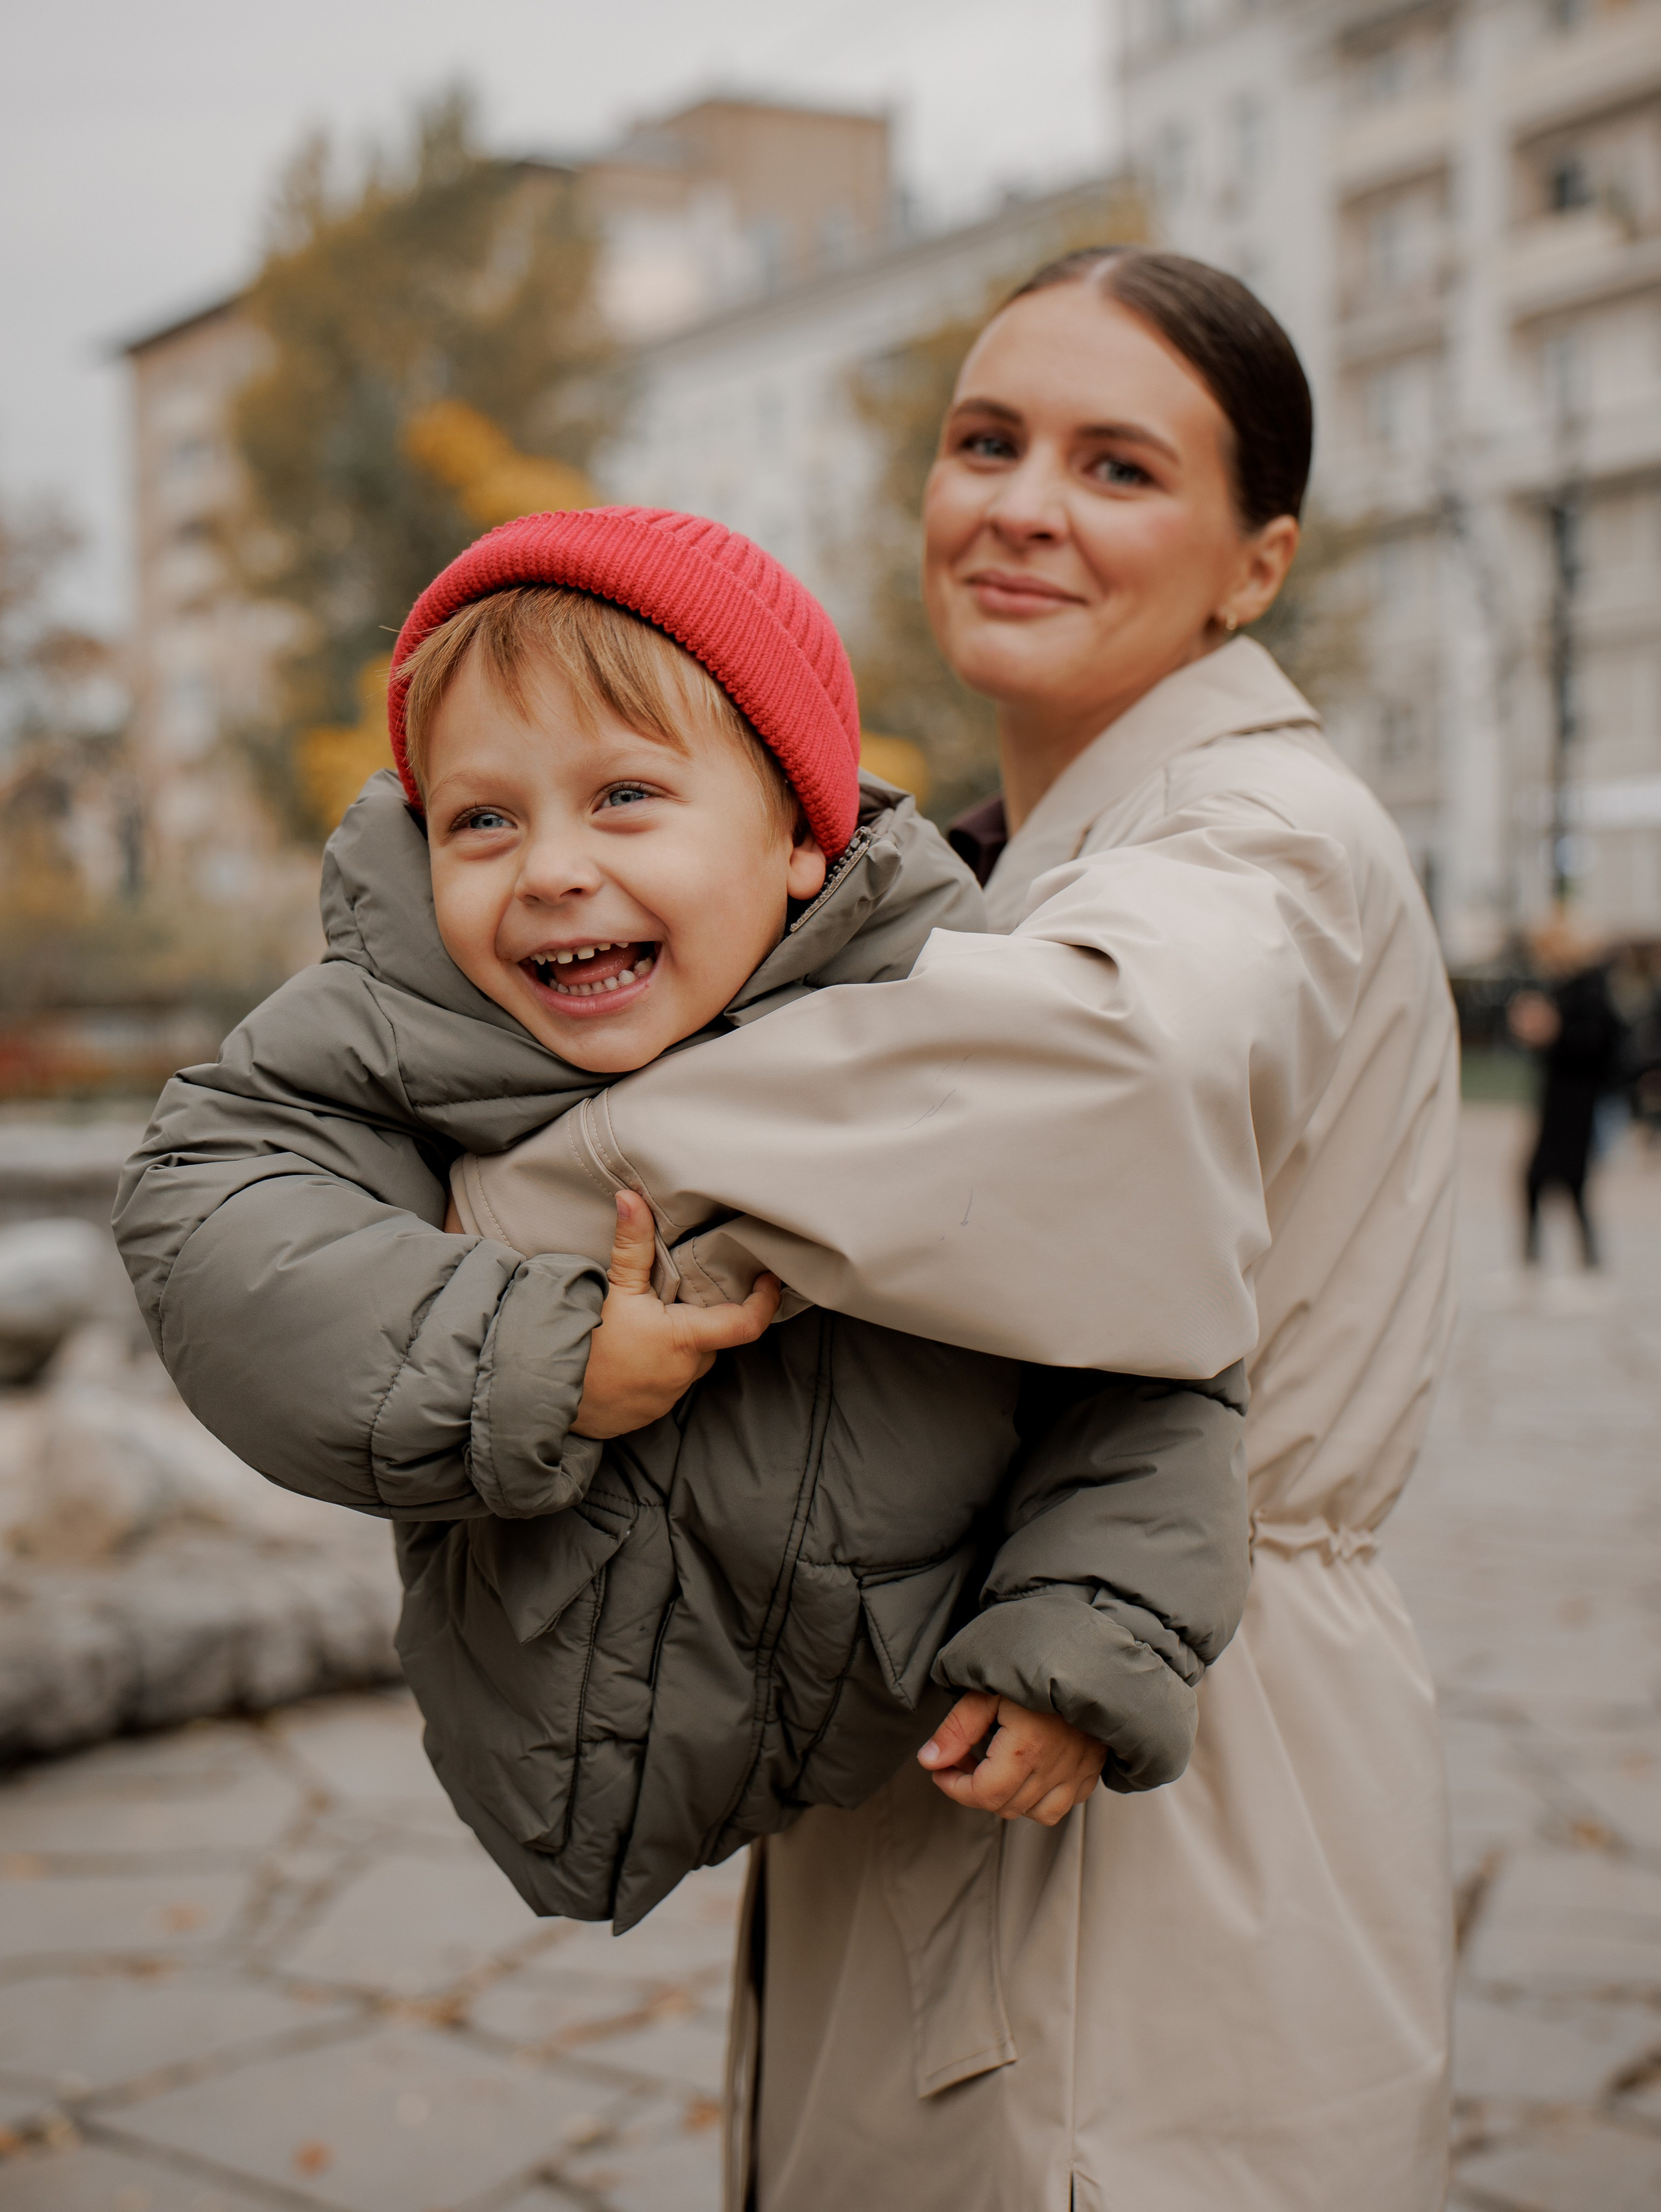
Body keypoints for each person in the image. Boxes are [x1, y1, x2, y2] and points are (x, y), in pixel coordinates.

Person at [485, 249, 1462, 2210]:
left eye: (1116, 466)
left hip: (1155, 1749)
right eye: (985, 440)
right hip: (999, 1704)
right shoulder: (1021, 855)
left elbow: (1102, 1067)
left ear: (1251, 564)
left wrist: (522, 1186)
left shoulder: (1248, 838)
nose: (1018, 500)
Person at [113, 509, 1250, 1935]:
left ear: (794, 834)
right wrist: (530, 1355)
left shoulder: (953, 1037)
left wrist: (1083, 1633)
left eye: (625, 797)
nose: (546, 869)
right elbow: (215, 1210)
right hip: (557, 1660)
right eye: (481, 819)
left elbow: (1152, 1359)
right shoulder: (406, 1025)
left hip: (900, 1708)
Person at [1508, 911, 1627, 1270]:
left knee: (1549, 1178)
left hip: (1576, 1103)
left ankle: (1547, 1257)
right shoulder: (1572, 989)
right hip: (1564, 1100)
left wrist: (1550, 1034)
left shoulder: (1589, 992)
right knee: (1564, 1184)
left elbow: (1597, 1047)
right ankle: (1573, 1256)